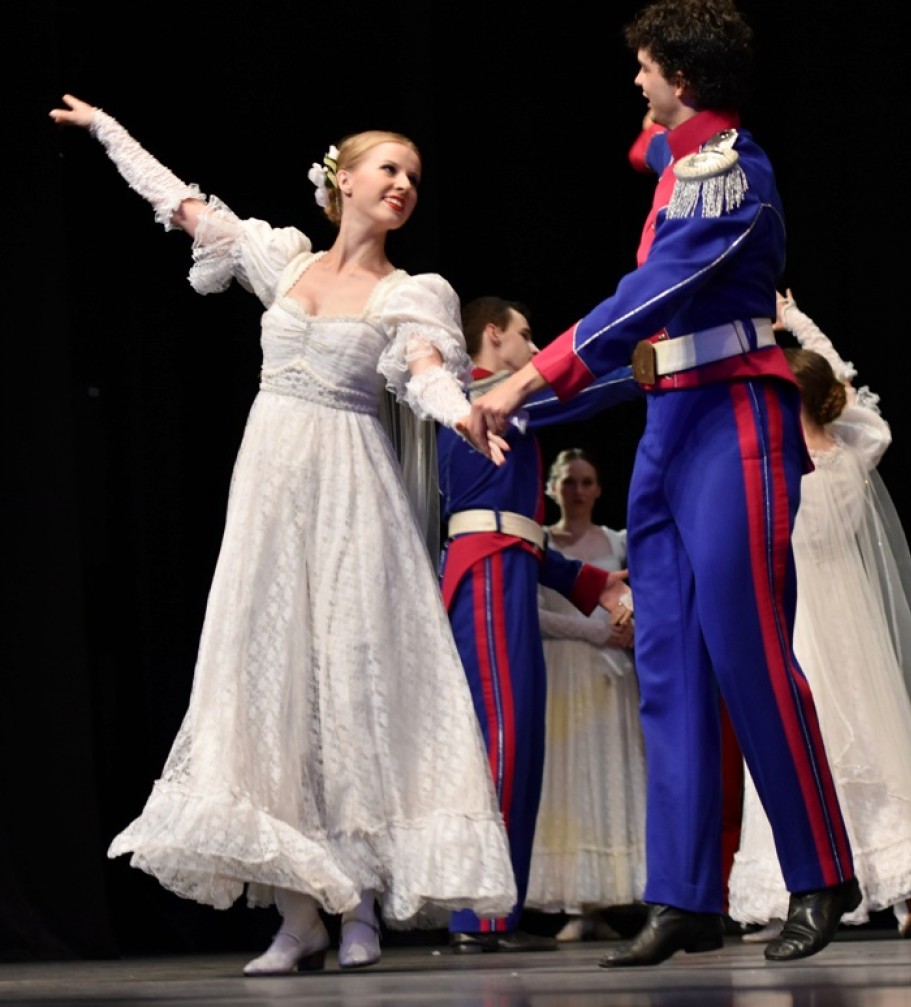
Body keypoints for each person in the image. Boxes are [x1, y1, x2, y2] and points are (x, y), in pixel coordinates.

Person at [49, 94, 517, 976]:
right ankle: (300, 917)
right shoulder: (284, 260)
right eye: (389, 168)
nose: (404, 184)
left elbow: (425, 372)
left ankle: (360, 906)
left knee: (349, 677)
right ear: (344, 180)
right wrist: (109, 131)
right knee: (268, 681)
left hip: (350, 493)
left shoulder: (410, 292)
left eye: (414, 176)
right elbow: (184, 206)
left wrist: (462, 413)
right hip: (269, 489)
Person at [460, 0, 862, 966]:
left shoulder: (733, 172)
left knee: (749, 650)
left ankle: (821, 872)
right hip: (672, 424)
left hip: (736, 422)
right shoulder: (685, 165)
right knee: (669, 663)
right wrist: (520, 404)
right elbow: (646, 317)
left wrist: (525, 377)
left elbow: (650, 295)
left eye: (646, 68)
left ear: (681, 78)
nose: (635, 83)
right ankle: (684, 895)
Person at [727, 291, 911, 942]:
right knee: (867, 739)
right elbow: (846, 388)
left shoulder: (772, 465)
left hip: (801, 615)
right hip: (846, 618)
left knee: (804, 742)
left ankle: (800, 890)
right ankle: (902, 883)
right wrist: (800, 323)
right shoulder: (857, 448)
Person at [438, 297, 641, 953]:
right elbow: (582, 390)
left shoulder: (499, 403)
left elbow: (524, 531)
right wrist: (651, 361)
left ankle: (499, 909)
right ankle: (480, 913)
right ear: (492, 335)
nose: (534, 348)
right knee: (502, 735)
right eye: (526, 335)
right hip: (486, 574)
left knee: (520, 741)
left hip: (508, 568)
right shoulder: (481, 396)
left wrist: (593, 583)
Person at [525, 448, 646, 942]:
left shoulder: (616, 542)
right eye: (568, 481)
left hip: (607, 678)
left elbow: (640, 595)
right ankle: (574, 901)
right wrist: (592, 632)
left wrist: (631, 625)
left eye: (586, 481)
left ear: (598, 489)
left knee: (607, 774)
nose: (577, 491)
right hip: (559, 669)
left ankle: (607, 898)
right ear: (552, 487)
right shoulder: (539, 542)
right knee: (565, 780)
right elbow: (528, 611)